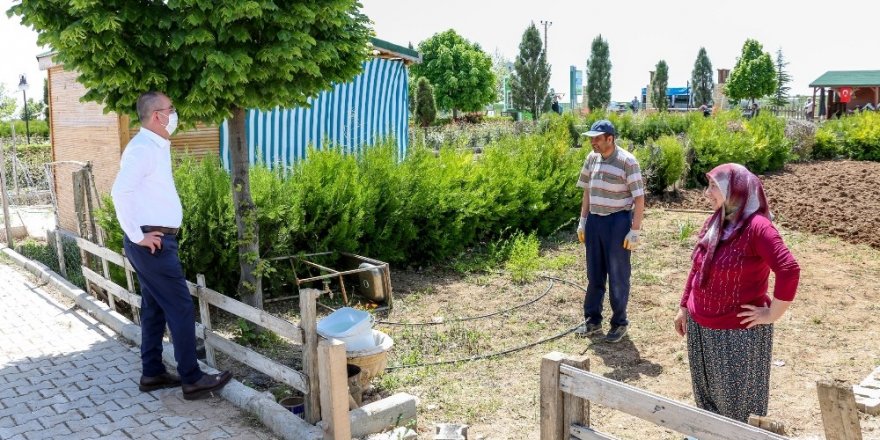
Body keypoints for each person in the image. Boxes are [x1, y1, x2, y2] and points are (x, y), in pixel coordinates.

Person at [111, 91, 232, 400]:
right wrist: (138, 236)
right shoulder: (142, 150)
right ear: (157, 116)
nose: (175, 113)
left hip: (154, 240)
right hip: (153, 242)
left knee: (153, 309)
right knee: (179, 305)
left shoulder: (154, 145)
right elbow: (119, 192)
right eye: (171, 108)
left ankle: (152, 373)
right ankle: (192, 379)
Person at [673, 163, 800, 423]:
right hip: (701, 327)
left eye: (713, 187)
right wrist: (684, 306)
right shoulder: (718, 219)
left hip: (735, 333)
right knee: (707, 398)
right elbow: (698, 266)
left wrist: (772, 313)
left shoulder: (758, 227)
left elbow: (789, 269)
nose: (706, 193)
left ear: (735, 190)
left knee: (737, 409)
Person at [575, 120, 645, 343]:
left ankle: (619, 322)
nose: (592, 142)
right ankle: (592, 320)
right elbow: (587, 191)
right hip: (596, 220)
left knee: (617, 274)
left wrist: (634, 230)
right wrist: (583, 220)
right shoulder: (591, 159)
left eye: (597, 138)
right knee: (594, 273)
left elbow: (639, 198)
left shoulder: (627, 162)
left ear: (610, 139)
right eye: (591, 138)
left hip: (618, 222)